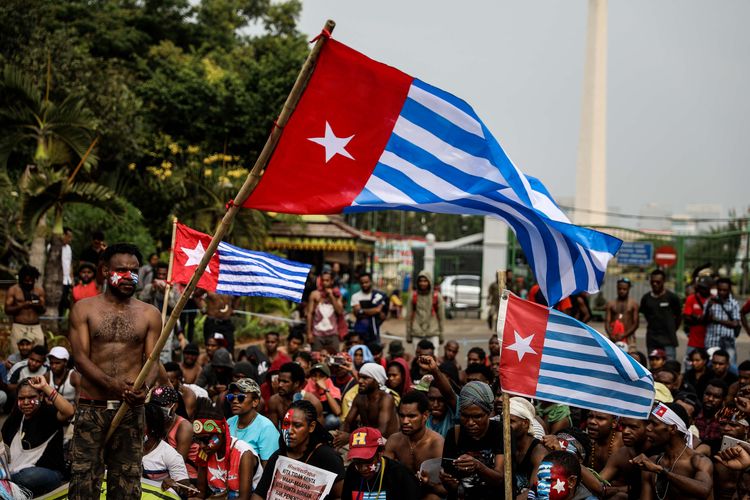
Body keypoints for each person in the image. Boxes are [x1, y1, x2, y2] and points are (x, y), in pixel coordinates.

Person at [68, 242, 161, 499]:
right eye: (121, 270)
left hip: (130, 411)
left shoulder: (150, 314)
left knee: (128, 485)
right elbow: (81, 360)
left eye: (134, 270)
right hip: (92, 408)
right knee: (83, 483)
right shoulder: (84, 309)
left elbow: (152, 361)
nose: (129, 276)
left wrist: (144, 388)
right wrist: (115, 386)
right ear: (105, 272)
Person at [252, 400, 345, 499]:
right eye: (286, 424)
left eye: (297, 425)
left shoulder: (328, 458)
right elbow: (259, 494)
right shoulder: (278, 457)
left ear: (311, 427)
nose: (289, 431)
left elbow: (341, 496)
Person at [1, 376, 74, 496]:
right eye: (21, 398)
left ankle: (6, 485)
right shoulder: (15, 418)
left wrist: (45, 387)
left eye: (31, 397)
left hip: (47, 473)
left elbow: (69, 411)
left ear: (41, 396)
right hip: (14, 470)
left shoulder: (49, 414)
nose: (26, 402)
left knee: (28, 477)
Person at [631, 402, 713, 499]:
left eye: (654, 424)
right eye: (649, 423)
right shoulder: (652, 462)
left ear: (673, 428)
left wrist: (661, 471)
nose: (648, 428)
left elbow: (703, 490)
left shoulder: (698, 461)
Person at [440, 381, 505, 499]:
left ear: (489, 413)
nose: (470, 423)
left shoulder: (502, 432)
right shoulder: (454, 434)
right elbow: (450, 480)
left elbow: (500, 478)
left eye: (477, 417)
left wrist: (478, 466)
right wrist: (447, 481)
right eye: (465, 416)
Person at [192, 400, 262, 499]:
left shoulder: (244, 454)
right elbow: (200, 494)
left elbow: (244, 498)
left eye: (206, 439)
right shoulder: (204, 453)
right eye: (198, 440)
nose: (202, 445)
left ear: (221, 433)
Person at [343, 426, 420, 500]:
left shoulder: (399, 474)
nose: (363, 468)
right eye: (357, 462)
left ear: (381, 453)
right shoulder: (352, 470)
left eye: (368, 461)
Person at [384, 390, 444, 479]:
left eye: (411, 416)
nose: (405, 421)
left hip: (427, 491)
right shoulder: (394, 441)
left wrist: (429, 484)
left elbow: (444, 487)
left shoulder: (436, 443)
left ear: (425, 415)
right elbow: (384, 475)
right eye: (402, 416)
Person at [141, 402, 192, 496]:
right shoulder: (122, 446)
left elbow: (185, 489)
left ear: (152, 428)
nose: (134, 428)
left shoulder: (170, 455)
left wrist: (174, 486)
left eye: (140, 424)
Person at [227, 378, 279, 467]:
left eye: (241, 397)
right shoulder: (229, 422)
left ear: (255, 402)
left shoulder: (266, 428)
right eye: (231, 397)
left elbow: (268, 468)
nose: (235, 401)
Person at [342, 363, 399, 439]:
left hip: (385, 442)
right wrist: (340, 436)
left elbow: (381, 432)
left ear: (377, 381)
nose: (360, 381)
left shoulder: (386, 399)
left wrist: (350, 437)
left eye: (365, 378)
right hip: (366, 439)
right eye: (360, 377)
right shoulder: (360, 397)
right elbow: (347, 423)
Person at [508, 397, 547, 495]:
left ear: (525, 423)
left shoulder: (539, 452)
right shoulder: (504, 444)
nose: (505, 426)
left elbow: (534, 490)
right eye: (503, 421)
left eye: (511, 421)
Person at [640, 269, 682, 360]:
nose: (655, 284)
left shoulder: (672, 298)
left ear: (663, 282)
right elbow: (646, 314)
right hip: (652, 339)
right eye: (653, 282)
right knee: (654, 366)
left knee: (670, 366)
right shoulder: (646, 298)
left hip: (668, 339)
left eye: (658, 282)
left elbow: (679, 316)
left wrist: (672, 328)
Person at [266, 362, 322, 428]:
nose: (280, 385)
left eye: (285, 382)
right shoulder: (274, 401)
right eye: (279, 381)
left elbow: (319, 433)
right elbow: (272, 431)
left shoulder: (313, 402)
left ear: (296, 383)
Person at [4, 265, 46, 352]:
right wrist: (22, 305)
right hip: (19, 327)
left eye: (32, 280)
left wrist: (36, 305)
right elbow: (7, 310)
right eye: (27, 281)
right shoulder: (13, 290)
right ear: (21, 279)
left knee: (39, 353)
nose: (30, 283)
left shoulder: (39, 290)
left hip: (35, 327)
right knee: (16, 354)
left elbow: (43, 310)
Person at [712, 404, 748, 500]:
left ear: (746, 428)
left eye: (733, 425)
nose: (726, 428)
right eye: (722, 424)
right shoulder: (710, 448)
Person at [704, 277, 742, 365]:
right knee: (710, 366)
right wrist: (707, 310)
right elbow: (704, 321)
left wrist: (717, 320)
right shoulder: (710, 301)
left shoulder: (734, 304)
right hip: (712, 341)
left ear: (729, 290)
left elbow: (735, 324)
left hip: (728, 341)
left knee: (731, 367)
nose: (722, 292)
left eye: (724, 290)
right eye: (719, 290)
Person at [306, 271, 345, 354]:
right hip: (317, 334)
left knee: (334, 358)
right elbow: (309, 314)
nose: (324, 283)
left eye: (327, 280)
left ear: (331, 281)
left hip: (333, 334)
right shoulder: (314, 294)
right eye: (323, 280)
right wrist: (309, 333)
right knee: (315, 357)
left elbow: (339, 311)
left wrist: (331, 296)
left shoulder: (337, 294)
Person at [407, 270, 445, 353]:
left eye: (425, 281)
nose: (422, 283)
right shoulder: (413, 296)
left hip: (433, 331)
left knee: (433, 357)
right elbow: (409, 317)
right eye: (420, 281)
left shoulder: (436, 296)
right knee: (418, 358)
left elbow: (441, 317)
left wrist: (441, 335)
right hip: (417, 331)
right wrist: (408, 334)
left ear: (429, 282)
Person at [197, 290, 237, 358]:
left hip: (226, 323)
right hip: (212, 322)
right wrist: (203, 308)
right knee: (210, 349)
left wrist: (233, 308)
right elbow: (196, 295)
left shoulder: (230, 283)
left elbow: (238, 296)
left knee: (230, 349)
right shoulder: (209, 282)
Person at [351, 272, 388, 344]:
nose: (364, 285)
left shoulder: (378, 296)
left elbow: (380, 313)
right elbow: (357, 313)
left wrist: (362, 310)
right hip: (360, 331)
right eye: (362, 283)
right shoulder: (355, 296)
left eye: (366, 282)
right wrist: (374, 310)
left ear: (371, 282)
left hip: (374, 332)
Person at [303, 363, 342, 431]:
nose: (317, 379)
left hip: (327, 420)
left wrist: (325, 390)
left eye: (321, 376)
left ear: (327, 378)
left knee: (333, 420)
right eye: (314, 376)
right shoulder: (307, 389)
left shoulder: (334, 390)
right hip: (311, 420)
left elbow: (337, 411)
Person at [695, 379, 728, 454]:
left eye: (716, 397)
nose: (710, 399)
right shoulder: (694, 414)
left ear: (723, 400)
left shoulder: (726, 422)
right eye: (707, 394)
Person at [605, 278, 639, 346]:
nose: (622, 291)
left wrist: (624, 335)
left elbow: (636, 324)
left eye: (624, 289)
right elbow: (607, 322)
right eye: (619, 289)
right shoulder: (611, 304)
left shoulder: (633, 304)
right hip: (614, 337)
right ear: (617, 288)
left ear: (629, 289)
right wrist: (610, 335)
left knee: (633, 356)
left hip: (629, 337)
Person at [682, 276, 713, 351]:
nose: (701, 290)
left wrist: (695, 317)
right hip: (694, 342)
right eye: (700, 287)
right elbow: (687, 317)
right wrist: (703, 319)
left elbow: (713, 319)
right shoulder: (691, 298)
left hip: (710, 342)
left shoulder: (714, 299)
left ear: (709, 287)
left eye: (704, 287)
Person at [58, 227, 74, 318]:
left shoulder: (68, 248)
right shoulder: (53, 247)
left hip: (67, 279)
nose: (70, 239)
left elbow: (70, 263)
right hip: (58, 279)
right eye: (68, 236)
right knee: (61, 301)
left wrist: (71, 278)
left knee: (65, 300)